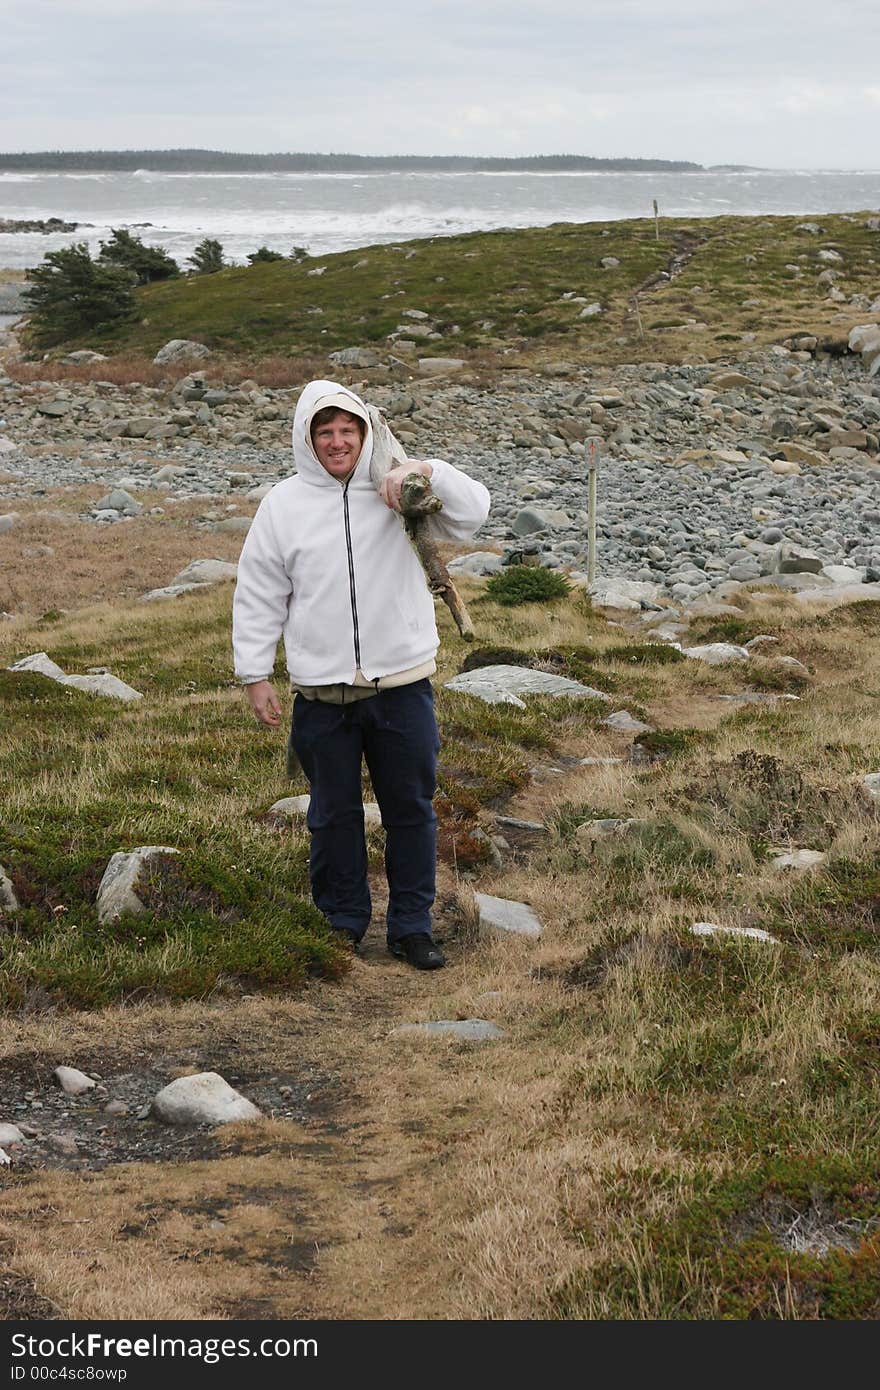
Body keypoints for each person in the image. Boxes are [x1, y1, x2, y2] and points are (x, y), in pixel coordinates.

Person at [232, 379, 490, 970]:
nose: (337, 441)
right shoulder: (283, 507)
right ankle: (343, 922)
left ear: (364, 433)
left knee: (410, 810)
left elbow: (475, 511)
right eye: (325, 432)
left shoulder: (400, 490)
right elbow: (259, 593)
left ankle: (411, 927)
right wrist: (254, 673)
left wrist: (422, 470)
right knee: (332, 814)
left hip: (401, 686)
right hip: (321, 695)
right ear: (307, 439)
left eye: (348, 430)